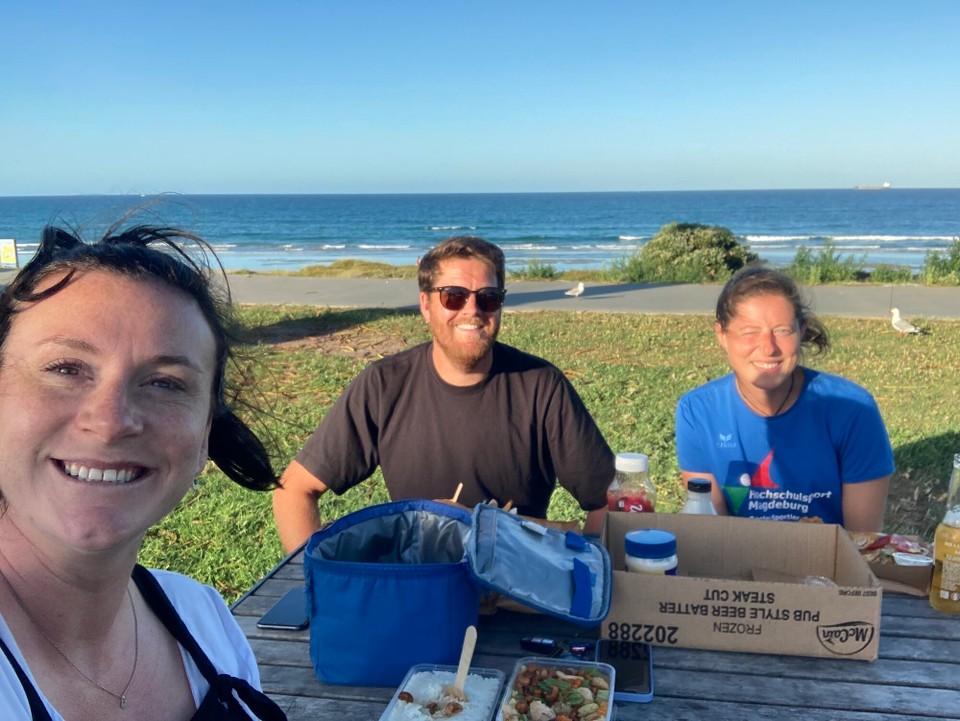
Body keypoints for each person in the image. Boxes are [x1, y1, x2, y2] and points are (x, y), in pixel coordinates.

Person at [0, 221, 286, 720]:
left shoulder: (203, 618)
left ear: (203, 440)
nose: (110, 421)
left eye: (165, 383)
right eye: (66, 368)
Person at [272, 235, 614, 552]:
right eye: (454, 296)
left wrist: (583, 579)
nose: (472, 310)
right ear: (426, 305)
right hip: (417, 586)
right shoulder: (383, 385)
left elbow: (611, 502)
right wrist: (315, 582)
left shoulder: (542, 386)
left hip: (517, 588)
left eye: (488, 298)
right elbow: (294, 491)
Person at [675, 265, 893, 532]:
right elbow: (711, 533)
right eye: (749, 332)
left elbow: (862, 539)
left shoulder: (853, 410)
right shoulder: (697, 411)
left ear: (801, 331)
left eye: (782, 331)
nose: (768, 348)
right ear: (722, 335)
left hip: (830, 565)